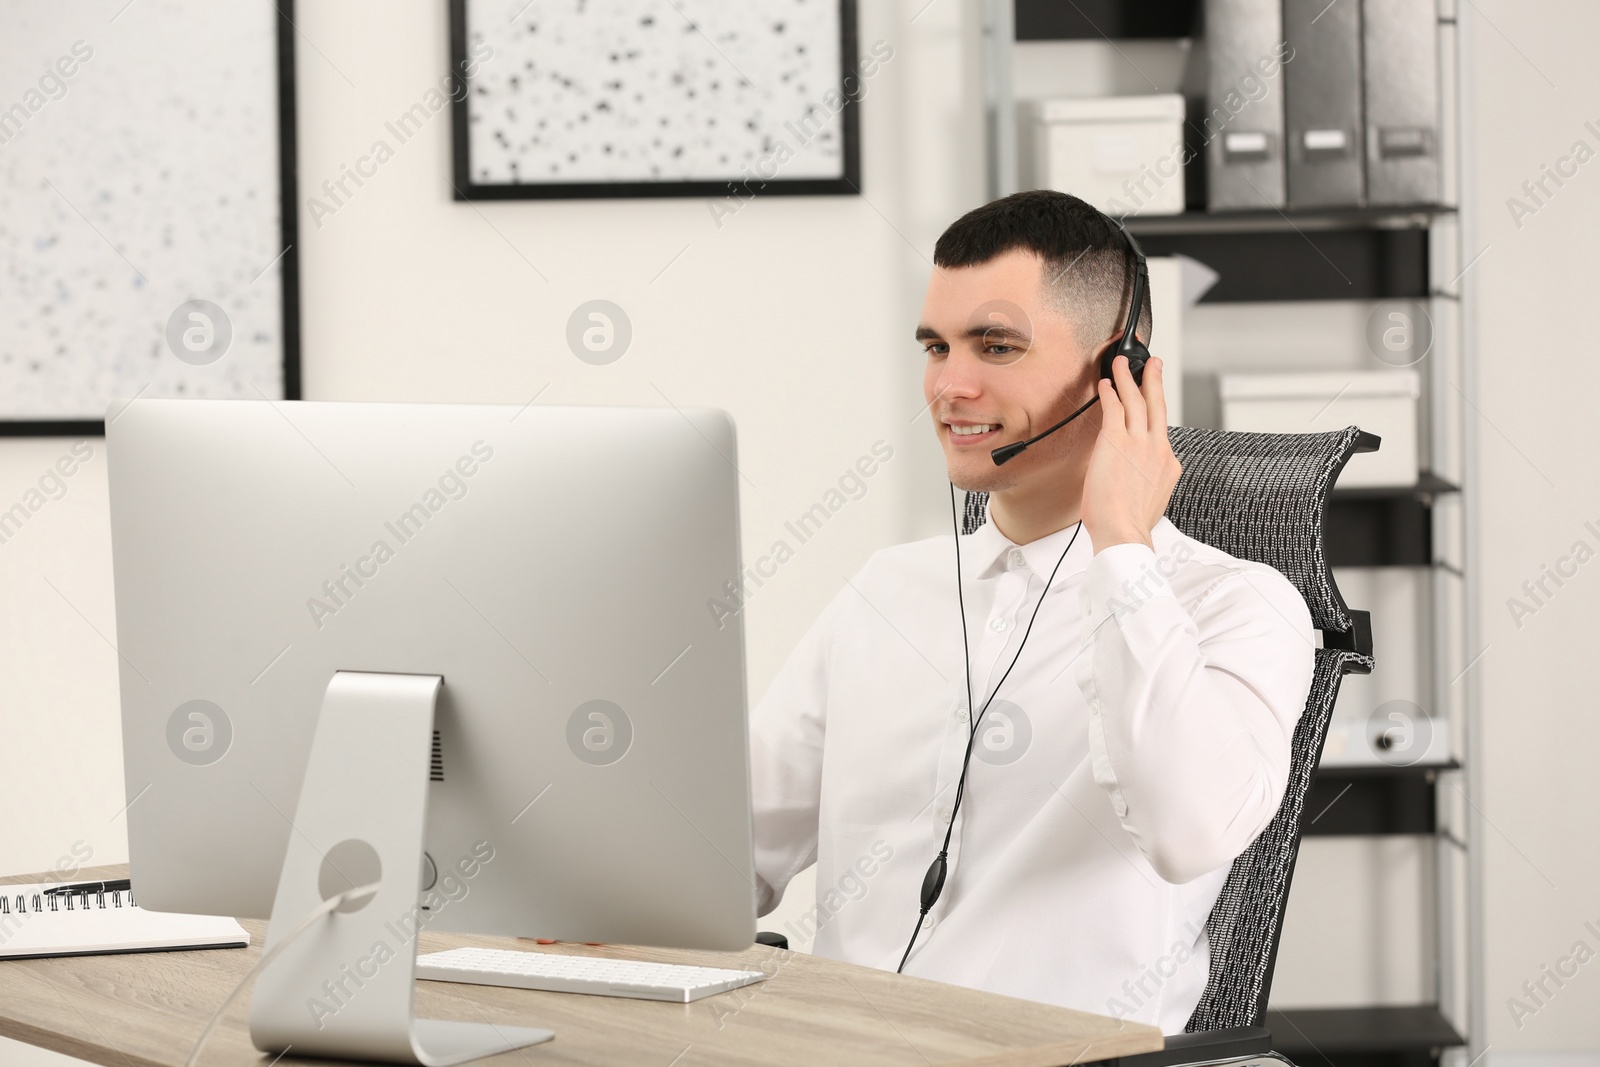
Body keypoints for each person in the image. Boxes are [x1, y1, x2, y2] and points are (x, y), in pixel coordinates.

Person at [748, 189, 1316, 1033]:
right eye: (937, 346)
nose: (951, 384)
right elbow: (737, 846)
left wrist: (1121, 544)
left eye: (996, 345)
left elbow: (1187, 828)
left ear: (1120, 371)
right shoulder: (887, 591)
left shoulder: (1237, 606)